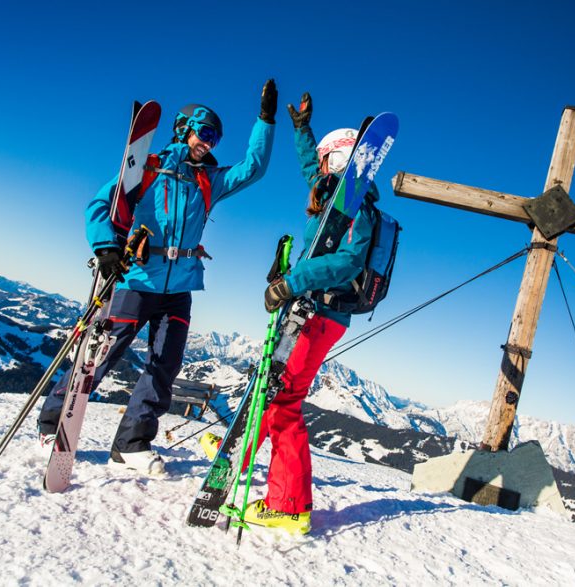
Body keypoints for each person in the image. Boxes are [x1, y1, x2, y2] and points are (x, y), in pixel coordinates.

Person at [38, 80, 278, 476]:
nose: (209, 144)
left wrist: (265, 120)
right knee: (100, 356)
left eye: (215, 138)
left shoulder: (208, 181)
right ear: (184, 129)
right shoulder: (147, 168)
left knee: (164, 365)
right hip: (136, 280)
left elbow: (253, 168)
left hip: (180, 287)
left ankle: (131, 444)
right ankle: (52, 424)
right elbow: (100, 204)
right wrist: (106, 247)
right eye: (205, 133)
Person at [202, 92, 377, 534]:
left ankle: (289, 506)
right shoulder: (333, 197)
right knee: (270, 384)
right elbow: (307, 169)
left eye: (324, 159)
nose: (317, 166)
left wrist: (292, 282)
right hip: (306, 309)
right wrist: (302, 130)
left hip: (322, 314)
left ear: (339, 160)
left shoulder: (357, 208)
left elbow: (348, 262)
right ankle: (239, 453)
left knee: (283, 401)